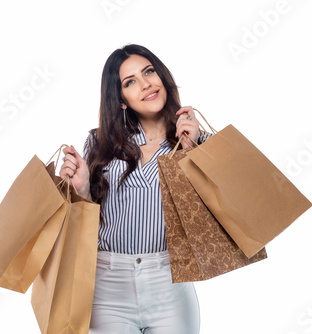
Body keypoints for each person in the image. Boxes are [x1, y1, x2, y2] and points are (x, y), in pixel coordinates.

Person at [59, 44, 204, 334]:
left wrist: (197, 150)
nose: (145, 84)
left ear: (161, 76)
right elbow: (85, 220)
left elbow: (222, 211)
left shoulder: (195, 139)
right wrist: (82, 188)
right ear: (121, 99)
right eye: (130, 82)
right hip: (108, 286)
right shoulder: (99, 143)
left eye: (149, 72)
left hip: (170, 284)